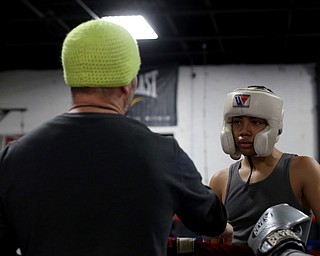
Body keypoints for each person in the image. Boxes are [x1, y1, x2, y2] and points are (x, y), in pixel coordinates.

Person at [0, 19, 228, 256]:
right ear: (129, 84)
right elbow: (212, 220)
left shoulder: (13, 157)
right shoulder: (164, 153)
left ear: (71, 80)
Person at [209, 85, 320, 255]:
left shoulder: (303, 169)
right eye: (237, 122)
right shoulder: (220, 180)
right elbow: (212, 246)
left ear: (273, 126)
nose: (244, 131)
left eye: (255, 122)